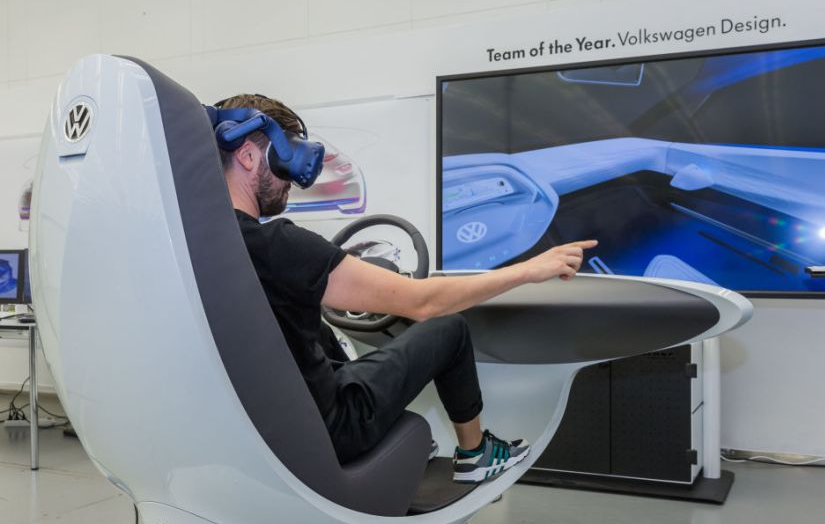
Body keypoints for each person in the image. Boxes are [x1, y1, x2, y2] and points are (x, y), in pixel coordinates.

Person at [218, 94, 597, 483]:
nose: (291, 182)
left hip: (266, 426)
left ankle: (407, 441)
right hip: (332, 428)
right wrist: (529, 269)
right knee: (448, 328)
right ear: (248, 156)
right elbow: (425, 302)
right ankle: (476, 454)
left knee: (321, 336)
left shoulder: (201, 245)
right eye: (285, 161)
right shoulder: (279, 245)